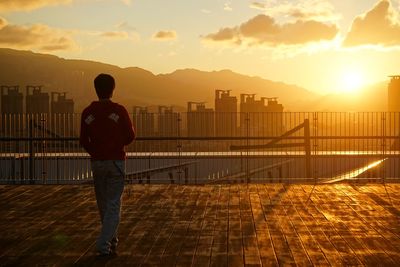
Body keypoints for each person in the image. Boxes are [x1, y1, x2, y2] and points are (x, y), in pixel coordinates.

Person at [80, 73, 135, 256]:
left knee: (103, 204)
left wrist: (96, 152)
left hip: (97, 163)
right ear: (113, 89)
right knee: (113, 205)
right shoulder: (119, 111)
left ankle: (112, 241)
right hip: (116, 162)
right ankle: (104, 244)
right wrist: (117, 145)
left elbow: (83, 140)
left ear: (95, 89)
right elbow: (130, 136)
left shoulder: (87, 112)